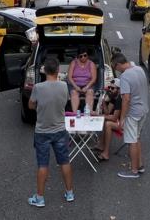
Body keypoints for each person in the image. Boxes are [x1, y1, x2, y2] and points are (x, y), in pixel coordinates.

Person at [28, 57, 74, 207]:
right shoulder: (64, 86)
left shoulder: (38, 87)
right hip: (60, 129)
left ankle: (40, 198)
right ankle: (69, 192)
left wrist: (40, 108)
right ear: (58, 70)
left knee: (43, 164)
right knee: (64, 162)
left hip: (42, 131)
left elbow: (31, 105)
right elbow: (65, 102)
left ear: (44, 70)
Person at [111, 53, 149, 179]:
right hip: (144, 109)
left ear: (118, 65)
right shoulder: (139, 69)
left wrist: (122, 118)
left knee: (131, 141)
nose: (116, 70)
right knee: (137, 138)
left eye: (115, 68)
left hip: (133, 113)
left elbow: (126, 99)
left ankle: (133, 171)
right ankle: (140, 165)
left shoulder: (125, 77)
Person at [95, 78, 122, 161]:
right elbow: (107, 113)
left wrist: (99, 116)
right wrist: (103, 102)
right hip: (119, 120)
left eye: (113, 88)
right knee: (105, 120)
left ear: (119, 89)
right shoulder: (114, 97)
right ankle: (101, 145)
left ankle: (106, 153)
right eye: (109, 87)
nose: (110, 89)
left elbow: (114, 118)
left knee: (108, 124)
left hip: (125, 123)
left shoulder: (119, 99)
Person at [67, 46, 97, 113]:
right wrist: (76, 87)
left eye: (85, 55)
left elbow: (94, 79)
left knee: (90, 92)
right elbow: (69, 77)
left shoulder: (91, 64)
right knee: (74, 93)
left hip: (88, 84)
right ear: (78, 56)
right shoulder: (73, 63)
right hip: (75, 84)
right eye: (81, 56)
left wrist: (86, 87)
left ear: (87, 55)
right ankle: (75, 113)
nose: (83, 57)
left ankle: (89, 112)